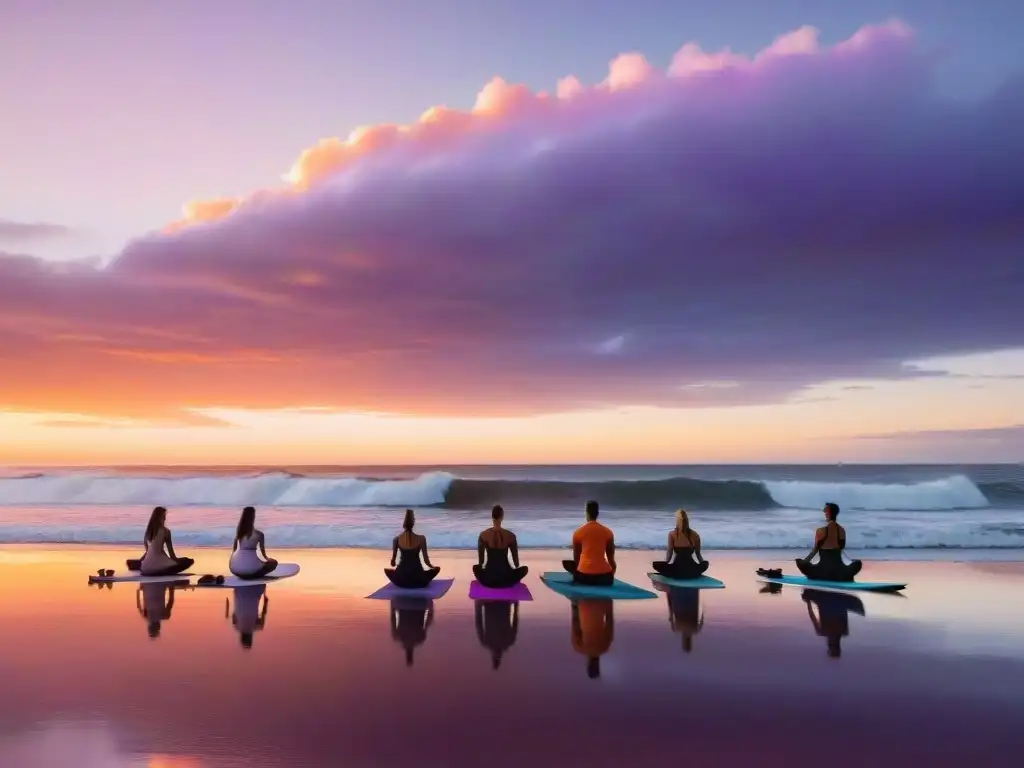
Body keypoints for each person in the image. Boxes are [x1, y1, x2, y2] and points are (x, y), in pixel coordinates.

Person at [795, 503, 862, 582]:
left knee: (799, 561)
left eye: (825, 510)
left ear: (829, 513)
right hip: (840, 572)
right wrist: (852, 561)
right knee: (858, 563)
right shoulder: (841, 530)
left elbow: (814, 552)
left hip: (822, 573)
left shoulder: (820, 531)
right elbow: (841, 549)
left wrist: (803, 563)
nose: (824, 512)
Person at [562, 500, 616, 586]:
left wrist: (577, 575)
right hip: (605, 578)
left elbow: (577, 560)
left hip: (585, 578)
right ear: (597, 513)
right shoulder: (608, 532)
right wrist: (611, 577)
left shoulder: (578, 532)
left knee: (566, 563)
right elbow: (612, 562)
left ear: (586, 513)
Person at [473, 505, 528, 588]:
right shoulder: (511, 536)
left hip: (489, 580)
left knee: (475, 568)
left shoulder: (483, 535)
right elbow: (516, 563)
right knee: (525, 569)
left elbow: (481, 562)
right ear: (502, 517)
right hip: (506, 580)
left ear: (492, 517)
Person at [802, 588, 865, 658]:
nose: (830, 642)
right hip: (835, 600)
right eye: (833, 644)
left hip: (825, 600)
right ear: (837, 644)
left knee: (806, 594)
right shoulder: (843, 631)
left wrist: (808, 602)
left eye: (830, 644)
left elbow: (812, 616)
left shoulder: (822, 631)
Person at [385, 509, 440, 589]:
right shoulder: (421, 539)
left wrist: (394, 561)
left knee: (388, 571)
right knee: (437, 569)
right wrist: (433, 567)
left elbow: (393, 563)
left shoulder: (396, 539)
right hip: (418, 581)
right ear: (413, 523)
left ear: (403, 523)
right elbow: (426, 561)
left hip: (401, 581)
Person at [651, 509, 710, 579]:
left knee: (655, 564)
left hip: (677, 570)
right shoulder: (695, 535)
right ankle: (694, 572)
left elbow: (669, 554)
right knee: (705, 563)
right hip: (691, 570)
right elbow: (698, 555)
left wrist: (665, 566)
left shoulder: (672, 534)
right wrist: (702, 566)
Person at [139, 507, 194, 576]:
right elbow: (172, 556)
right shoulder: (166, 531)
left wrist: (141, 561)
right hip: (158, 566)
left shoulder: (148, 532)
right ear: (160, 517)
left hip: (145, 567)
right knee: (188, 561)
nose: (165, 518)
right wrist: (183, 560)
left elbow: (149, 551)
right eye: (164, 515)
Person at [229, 506, 279, 579]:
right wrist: (268, 559)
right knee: (274, 563)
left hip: (235, 570)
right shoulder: (259, 534)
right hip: (251, 571)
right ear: (253, 517)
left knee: (250, 565)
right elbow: (264, 556)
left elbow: (233, 552)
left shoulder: (239, 534)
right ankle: (253, 574)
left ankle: (246, 572)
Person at [571, 599, 614, 679]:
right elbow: (575, 620)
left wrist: (608, 600)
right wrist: (574, 603)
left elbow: (609, 620)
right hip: (583, 603)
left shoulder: (605, 647)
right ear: (588, 664)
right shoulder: (579, 647)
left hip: (601, 602)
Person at [475, 599, 520, 670]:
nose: (496, 654)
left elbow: (478, 622)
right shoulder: (508, 641)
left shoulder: (486, 642)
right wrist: (516, 605)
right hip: (501, 603)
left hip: (493, 603)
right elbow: (515, 623)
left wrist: (478, 605)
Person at [391, 598, 434, 667]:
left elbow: (393, 618)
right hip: (419, 604)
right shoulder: (398, 636)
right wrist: (430, 607)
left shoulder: (420, 638)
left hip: (407, 604)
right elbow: (428, 620)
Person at [228, 585, 269, 649]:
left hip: (257, 588)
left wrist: (266, 602)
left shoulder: (258, 626)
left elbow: (264, 612)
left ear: (251, 637)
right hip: (239, 588)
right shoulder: (236, 626)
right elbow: (234, 614)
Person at [666, 588, 704, 653]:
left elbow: (702, 616)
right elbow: (702, 616)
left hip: (688, 599)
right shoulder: (676, 628)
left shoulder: (696, 630)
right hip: (684, 598)